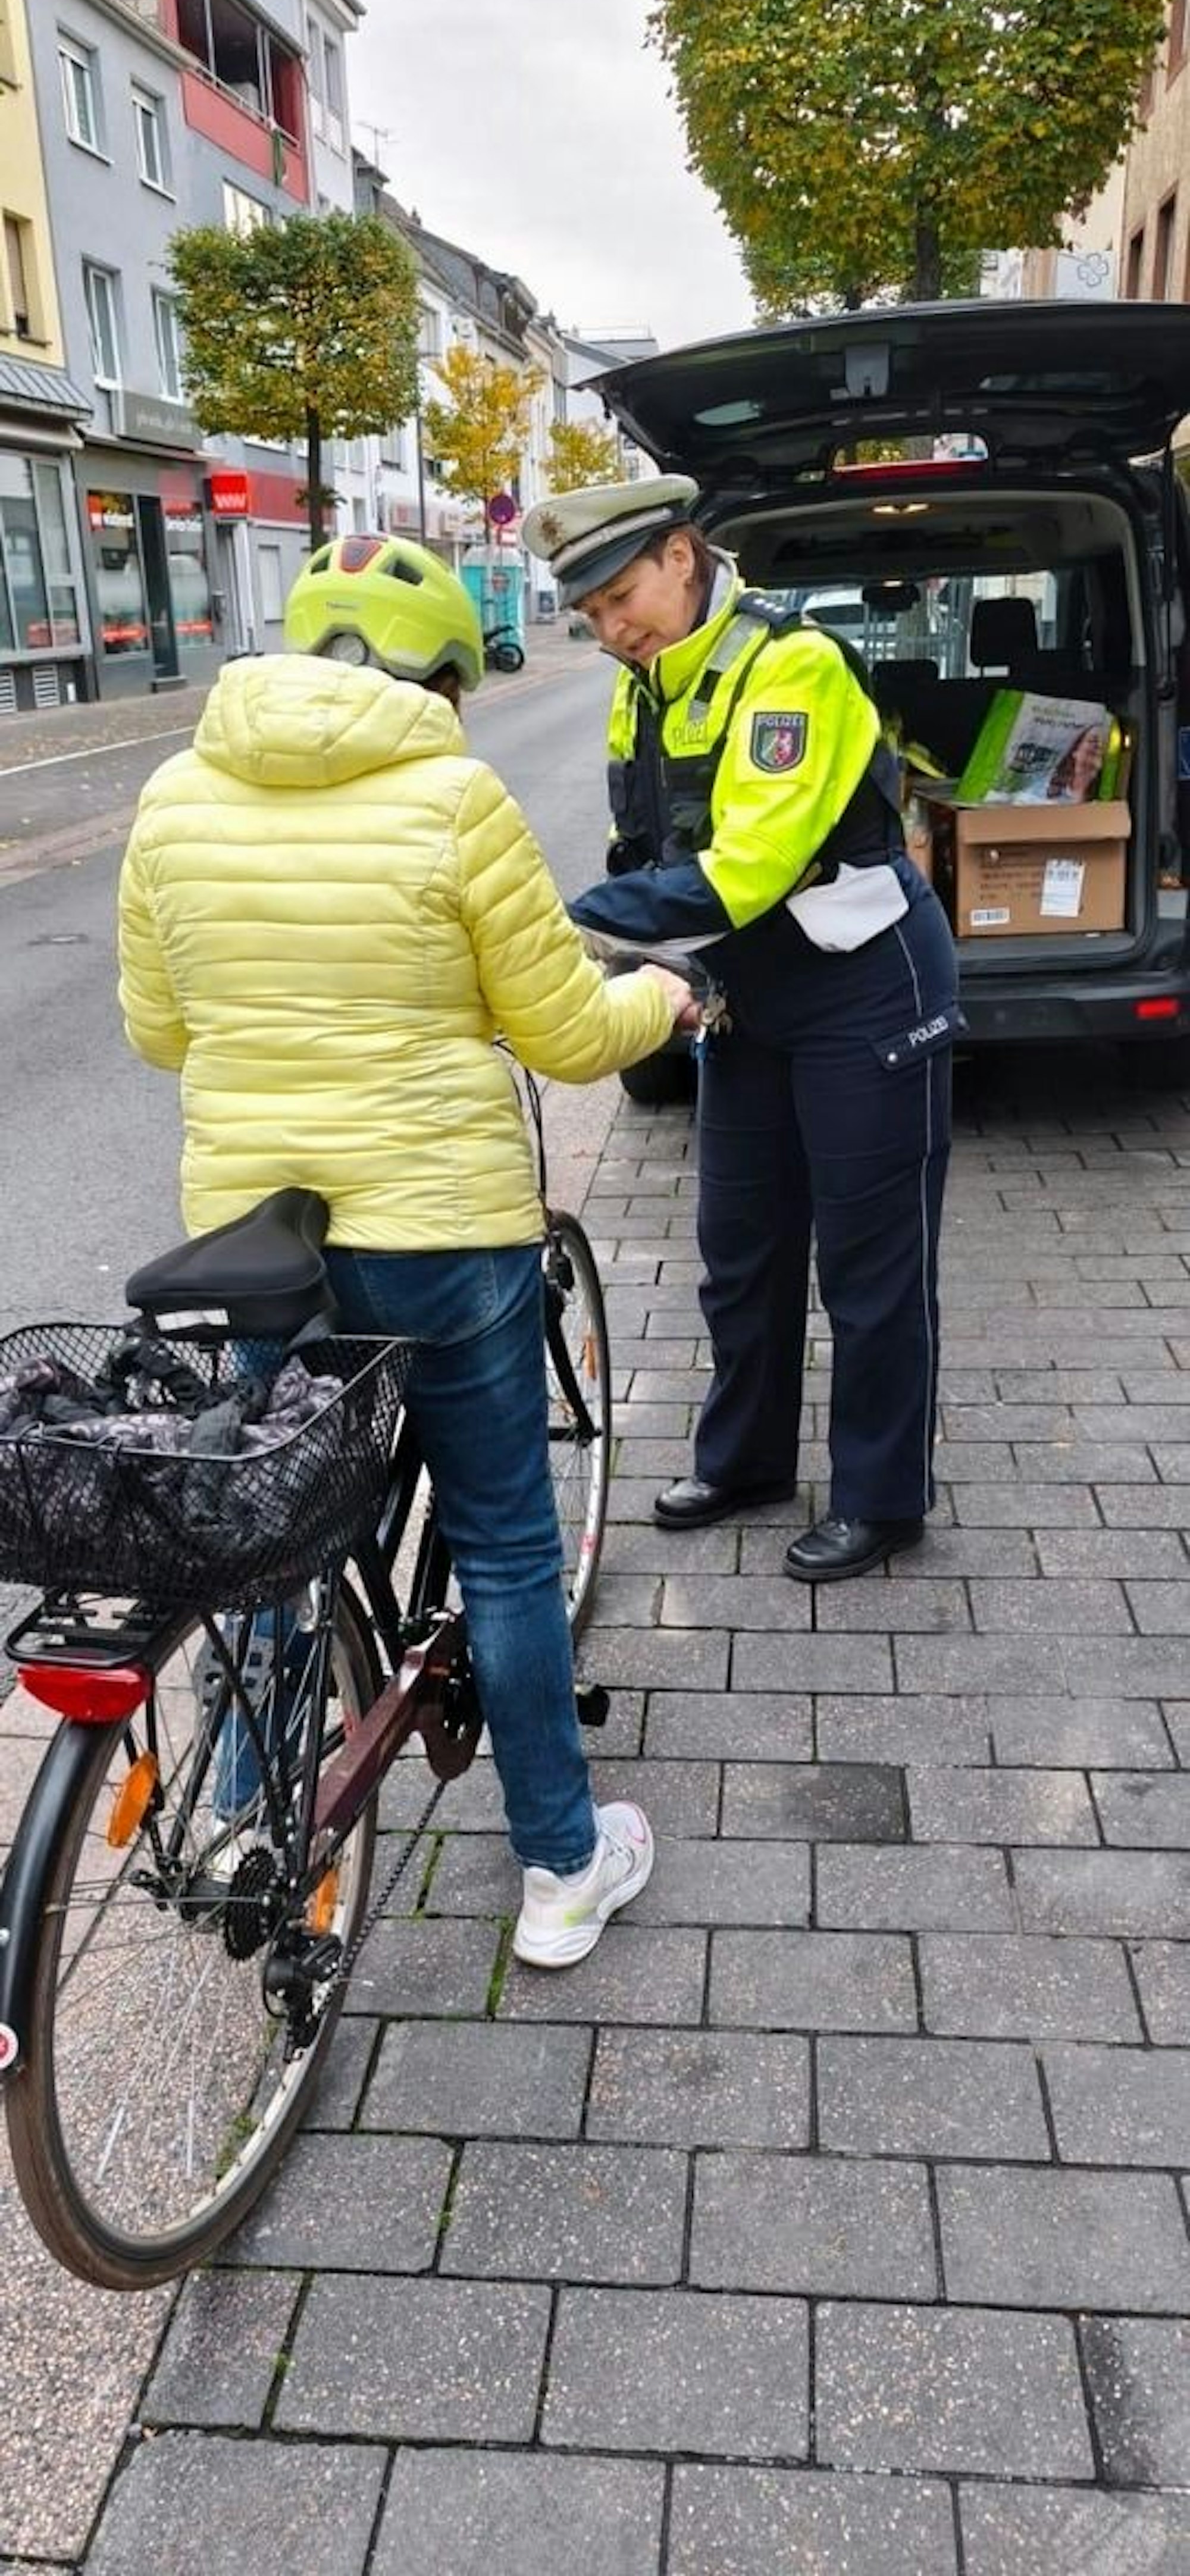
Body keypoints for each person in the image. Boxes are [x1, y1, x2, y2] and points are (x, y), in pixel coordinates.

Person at [117, 532, 695, 1965]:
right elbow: (559, 1030)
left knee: (275, 1527)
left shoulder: (174, 791)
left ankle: (252, 1805)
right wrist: (660, 1003)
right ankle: (562, 1863)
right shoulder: (452, 794)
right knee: (504, 1541)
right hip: (436, 1226)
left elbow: (158, 1030)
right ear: (444, 672)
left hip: (258, 1236)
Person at [522, 475, 960, 1583]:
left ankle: (881, 1495)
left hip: (865, 985)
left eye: (624, 597)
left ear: (682, 553)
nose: (614, 630)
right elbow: (649, 846)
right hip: (747, 996)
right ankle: (749, 1460)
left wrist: (554, 919)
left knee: (872, 1262)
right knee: (740, 1249)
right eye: (594, 617)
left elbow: (744, 871)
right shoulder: (648, 681)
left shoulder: (792, 665)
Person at [1046, 723, 1107, 803]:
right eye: (1093, 741)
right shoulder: (1048, 789)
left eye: (1104, 744)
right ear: (1075, 752)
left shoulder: (1103, 801)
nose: (1098, 745)